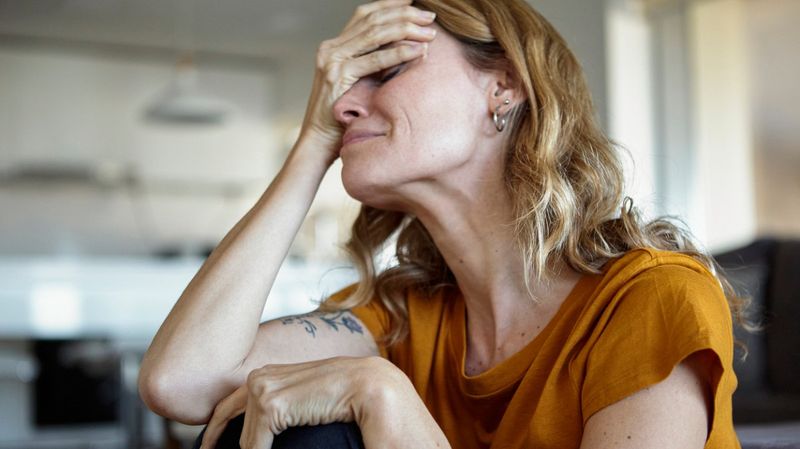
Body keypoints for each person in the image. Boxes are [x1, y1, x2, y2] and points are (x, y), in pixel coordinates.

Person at [138, 0, 748, 447]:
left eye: (388, 70)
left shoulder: (651, 298)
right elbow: (181, 382)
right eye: (345, 89)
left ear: (503, 88)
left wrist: (386, 397)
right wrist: (312, 145)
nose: (344, 103)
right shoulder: (405, 317)